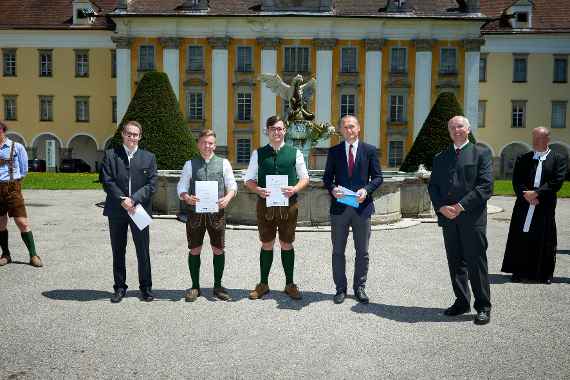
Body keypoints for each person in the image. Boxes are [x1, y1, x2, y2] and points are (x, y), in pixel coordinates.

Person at [428, 115, 493, 325]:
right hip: (448, 219)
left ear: (468, 129)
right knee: (455, 263)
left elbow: (485, 187)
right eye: (452, 127)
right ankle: (462, 301)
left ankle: (483, 306)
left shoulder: (480, 153)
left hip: (472, 218)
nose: (456, 130)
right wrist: (440, 207)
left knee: (476, 263)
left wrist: (460, 206)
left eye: (460, 126)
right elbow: (433, 187)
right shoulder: (440, 157)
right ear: (449, 131)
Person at [245, 115, 310, 300]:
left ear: (285, 131)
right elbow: (248, 180)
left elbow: (305, 177)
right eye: (273, 128)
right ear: (268, 131)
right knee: (266, 243)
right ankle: (263, 284)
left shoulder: (294, 152)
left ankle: (290, 284)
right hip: (265, 206)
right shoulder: (258, 153)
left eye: (280, 128)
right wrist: (258, 189)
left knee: (287, 243)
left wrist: (295, 189)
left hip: (288, 205)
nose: (277, 132)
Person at [323, 115, 383, 304]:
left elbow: (378, 177)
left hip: (362, 209)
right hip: (340, 209)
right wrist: (333, 189)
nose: (349, 130)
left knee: (362, 252)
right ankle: (340, 289)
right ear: (340, 130)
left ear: (358, 129)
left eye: (352, 126)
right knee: (338, 251)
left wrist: (366, 189)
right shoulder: (334, 152)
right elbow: (326, 178)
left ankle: (360, 287)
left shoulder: (370, 151)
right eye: (345, 127)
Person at [177, 129, 237, 302]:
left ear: (214, 145)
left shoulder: (223, 163)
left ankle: (218, 286)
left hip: (216, 214)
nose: (207, 146)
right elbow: (181, 187)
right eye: (204, 142)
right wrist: (187, 197)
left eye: (210, 143)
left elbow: (232, 185)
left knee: (218, 249)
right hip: (195, 214)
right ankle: (195, 286)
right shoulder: (190, 164)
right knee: (195, 249)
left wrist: (228, 197)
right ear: (198, 144)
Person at [501, 127, 568, 284]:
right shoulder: (523, 158)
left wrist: (537, 193)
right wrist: (526, 194)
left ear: (547, 139)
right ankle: (519, 272)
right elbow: (517, 180)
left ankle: (543, 274)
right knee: (522, 237)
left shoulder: (558, 159)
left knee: (544, 237)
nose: (535, 142)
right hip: (524, 204)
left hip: (544, 204)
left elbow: (556, 181)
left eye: (539, 138)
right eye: (534, 138)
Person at [101, 121, 157, 303]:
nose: (132, 137)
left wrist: (134, 199)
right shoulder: (111, 155)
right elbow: (107, 180)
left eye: (135, 134)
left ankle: (146, 288)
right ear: (123, 135)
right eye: (129, 134)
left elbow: (152, 184)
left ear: (140, 136)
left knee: (143, 250)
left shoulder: (149, 157)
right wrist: (122, 199)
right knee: (118, 250)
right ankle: (119, 287)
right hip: (117, 209)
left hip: (139, 209)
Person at [0, 121, 42, 268]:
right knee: (1, 224)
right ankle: (5, 254)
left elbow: (24, 170)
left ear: (3, 130)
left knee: (22, 222)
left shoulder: (17, 147)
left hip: (12, 187)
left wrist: (14, 184)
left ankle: (33, 255)